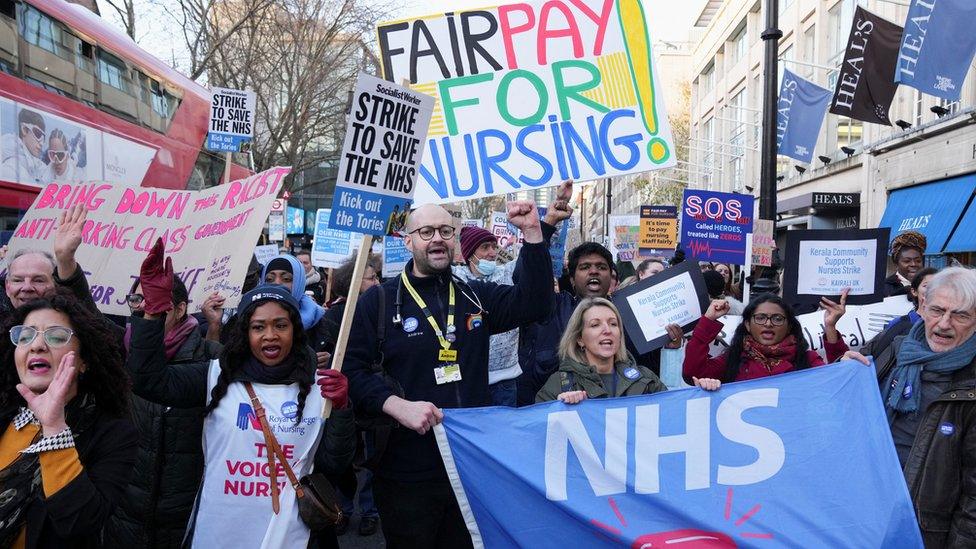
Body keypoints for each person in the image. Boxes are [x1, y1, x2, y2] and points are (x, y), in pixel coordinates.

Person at [343, 201, 554, 548]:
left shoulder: (474, 295)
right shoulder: (379, 302)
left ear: (455, 238)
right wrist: (395, 404)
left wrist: (533, 232)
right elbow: (351, 370)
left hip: (469, 464)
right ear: (408, 241)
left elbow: (536, 303)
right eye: (426, 232)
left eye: (445, 231)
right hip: (405, 469)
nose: (437, 239)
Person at [127, 248, 355, 548]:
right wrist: (153, 313)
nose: (270, 335)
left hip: (293, 536)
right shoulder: (214, 377)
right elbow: (148, 381)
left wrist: (341, 408)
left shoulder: (317, 387)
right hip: (222, 532)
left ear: (295, 331)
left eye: (281, 325)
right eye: (258, 327)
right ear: (245, 333)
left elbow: (334, 464)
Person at [844, 268, 976, 545]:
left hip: (922, 533)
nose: (943, 324)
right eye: (937, 310)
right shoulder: (891, 348)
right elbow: (829, 406)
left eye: (960, 315)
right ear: (922, 307)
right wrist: (843, 371)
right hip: (861, 514)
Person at [0, 288, 137, 548]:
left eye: (56, 336)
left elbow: (80, 523)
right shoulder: (5, 409)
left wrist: (53, 428)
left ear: (84, 360)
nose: (37, 345)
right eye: (26, 336)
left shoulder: (114, 434)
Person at [105, 245, 222, 548]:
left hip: (185, 514)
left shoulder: (210, 360)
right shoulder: (121, 351)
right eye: (140, 302)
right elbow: (85, 317)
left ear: (180, 308)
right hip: (126, 510)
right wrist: (66, 266)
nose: (147, 312)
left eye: (157, 304)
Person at [517, 241, 683, 405]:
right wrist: (543, 228)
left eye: (601, 267)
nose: (594, 271)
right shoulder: (551, 308)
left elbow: (659, 391)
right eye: (585, 267)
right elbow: (526, 282)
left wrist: (670, 348)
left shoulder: (632, 313)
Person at [535, 298, 721, 403]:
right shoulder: (559, 384)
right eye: (595, 325)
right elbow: (541, 437)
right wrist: (558, 409)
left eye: (613, 324)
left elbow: (673, 415)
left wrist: (701, 394)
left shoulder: (645, 378)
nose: (607, 330)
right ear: (579, 339)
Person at [319, 253, 383, 538]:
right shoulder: (332, 316)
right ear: (354, 282)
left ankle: (369, 511)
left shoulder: (380, 312)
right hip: (338, 400)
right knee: (340, 459)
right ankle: (341, 509)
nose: (377, 282)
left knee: (371, 456)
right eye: (371, 278)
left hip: (368, 394)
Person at [683, 292, 849, 383]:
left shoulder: (806, 360)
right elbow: (693, 374)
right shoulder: (733, 360)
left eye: (777, 319)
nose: (768, 324)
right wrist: (708, 321)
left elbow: (837, 380)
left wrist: (830, 327)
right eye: (760, 318)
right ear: (748, 325)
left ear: (789, 326)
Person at [452, 225, 522, 407]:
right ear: (469, 254)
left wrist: (552, 221)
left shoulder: (508, 273)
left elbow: (534, 253)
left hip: (504, 381)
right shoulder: (453, 279)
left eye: (494, 246)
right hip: (466, 379)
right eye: (485, 247)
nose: (492, 253)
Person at [2, 206, 96, 323]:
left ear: (56, 285)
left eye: (39, 280)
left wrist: (65, 259)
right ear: (7, 287)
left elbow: (102, 330)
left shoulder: (72, 326)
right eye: (17, 280)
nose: (27, 287)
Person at [859, 267, 938, 382]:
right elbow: (873, 353)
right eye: (926, 286)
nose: (932, 290)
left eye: (937, 286)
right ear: (914, 291)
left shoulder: (947, 328)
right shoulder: (899, 324)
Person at [1, 109, 47, 185]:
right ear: (24, 130)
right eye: (38, 134)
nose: (41, 143)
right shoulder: (11, 168)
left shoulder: (35, 166)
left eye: (43, 138)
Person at [884, 231, 926, 297]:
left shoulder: (931, 286)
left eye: (918, 261)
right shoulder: (884, 288)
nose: (913, 264)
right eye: (907, 261)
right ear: (896, 263)